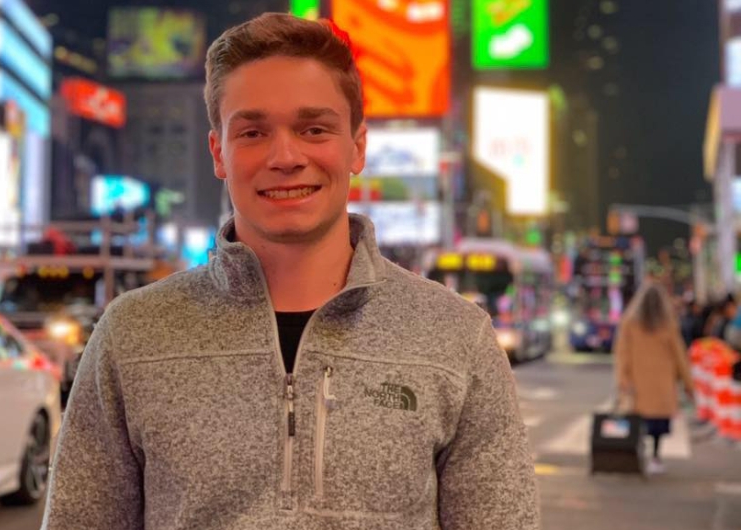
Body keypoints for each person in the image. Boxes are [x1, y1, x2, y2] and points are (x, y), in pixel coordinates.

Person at [42, 13, 538, 530]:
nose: (285, 156)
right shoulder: (131, 336)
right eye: (253, 131)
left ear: (358, 146)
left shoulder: (457, 339)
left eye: (314, 128)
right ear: (219, 152)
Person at [613, 283, 694, 475]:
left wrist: (622, 379)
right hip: (663, 383)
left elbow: (622, 353)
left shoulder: (629, 322)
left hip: (638, 381)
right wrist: (688, 383)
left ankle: (637, 452)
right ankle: (656, 457)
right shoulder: (668, 323)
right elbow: (679, 354)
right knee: (658, 425)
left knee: (637, 421)